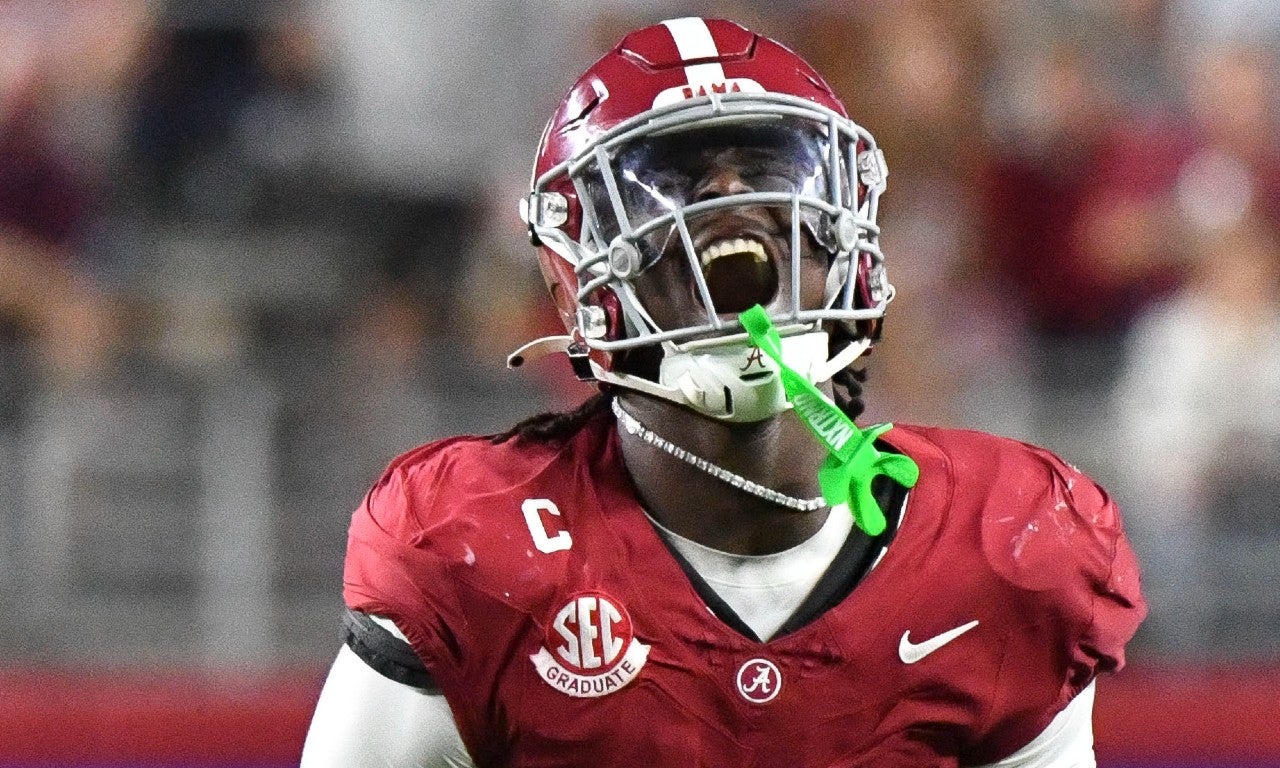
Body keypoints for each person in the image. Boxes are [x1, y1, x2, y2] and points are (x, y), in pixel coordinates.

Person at [301, 18, 1146, 767]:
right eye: (674, 177)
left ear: (842, 228)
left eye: (772, 168)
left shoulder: (999, 551)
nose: (733, 199)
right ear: (576, 275)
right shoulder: (477, 556)